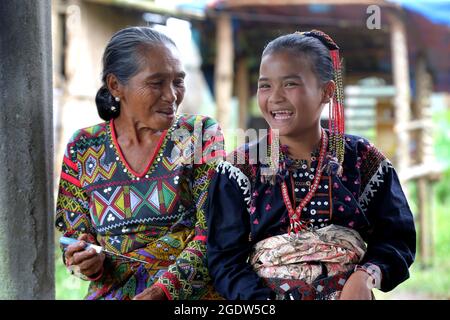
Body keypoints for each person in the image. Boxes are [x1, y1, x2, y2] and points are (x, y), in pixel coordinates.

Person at [206, 30, 416, 300]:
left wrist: (365, 276)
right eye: (265, 85)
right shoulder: (239, 169)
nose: (275, 97)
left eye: (290, 84)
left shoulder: (362, 159)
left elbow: (397, 238)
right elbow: (225, 261)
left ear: (326, 92)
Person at [55, 26, 224, 300]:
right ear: (115, 86)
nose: (171, 95)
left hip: (188, 295)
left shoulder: (199, 134)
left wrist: (164, 291)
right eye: (156, 83)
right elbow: (74, 236)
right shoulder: (83, 147)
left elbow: (213, 230)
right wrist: (84, 259)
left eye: (178, 81)